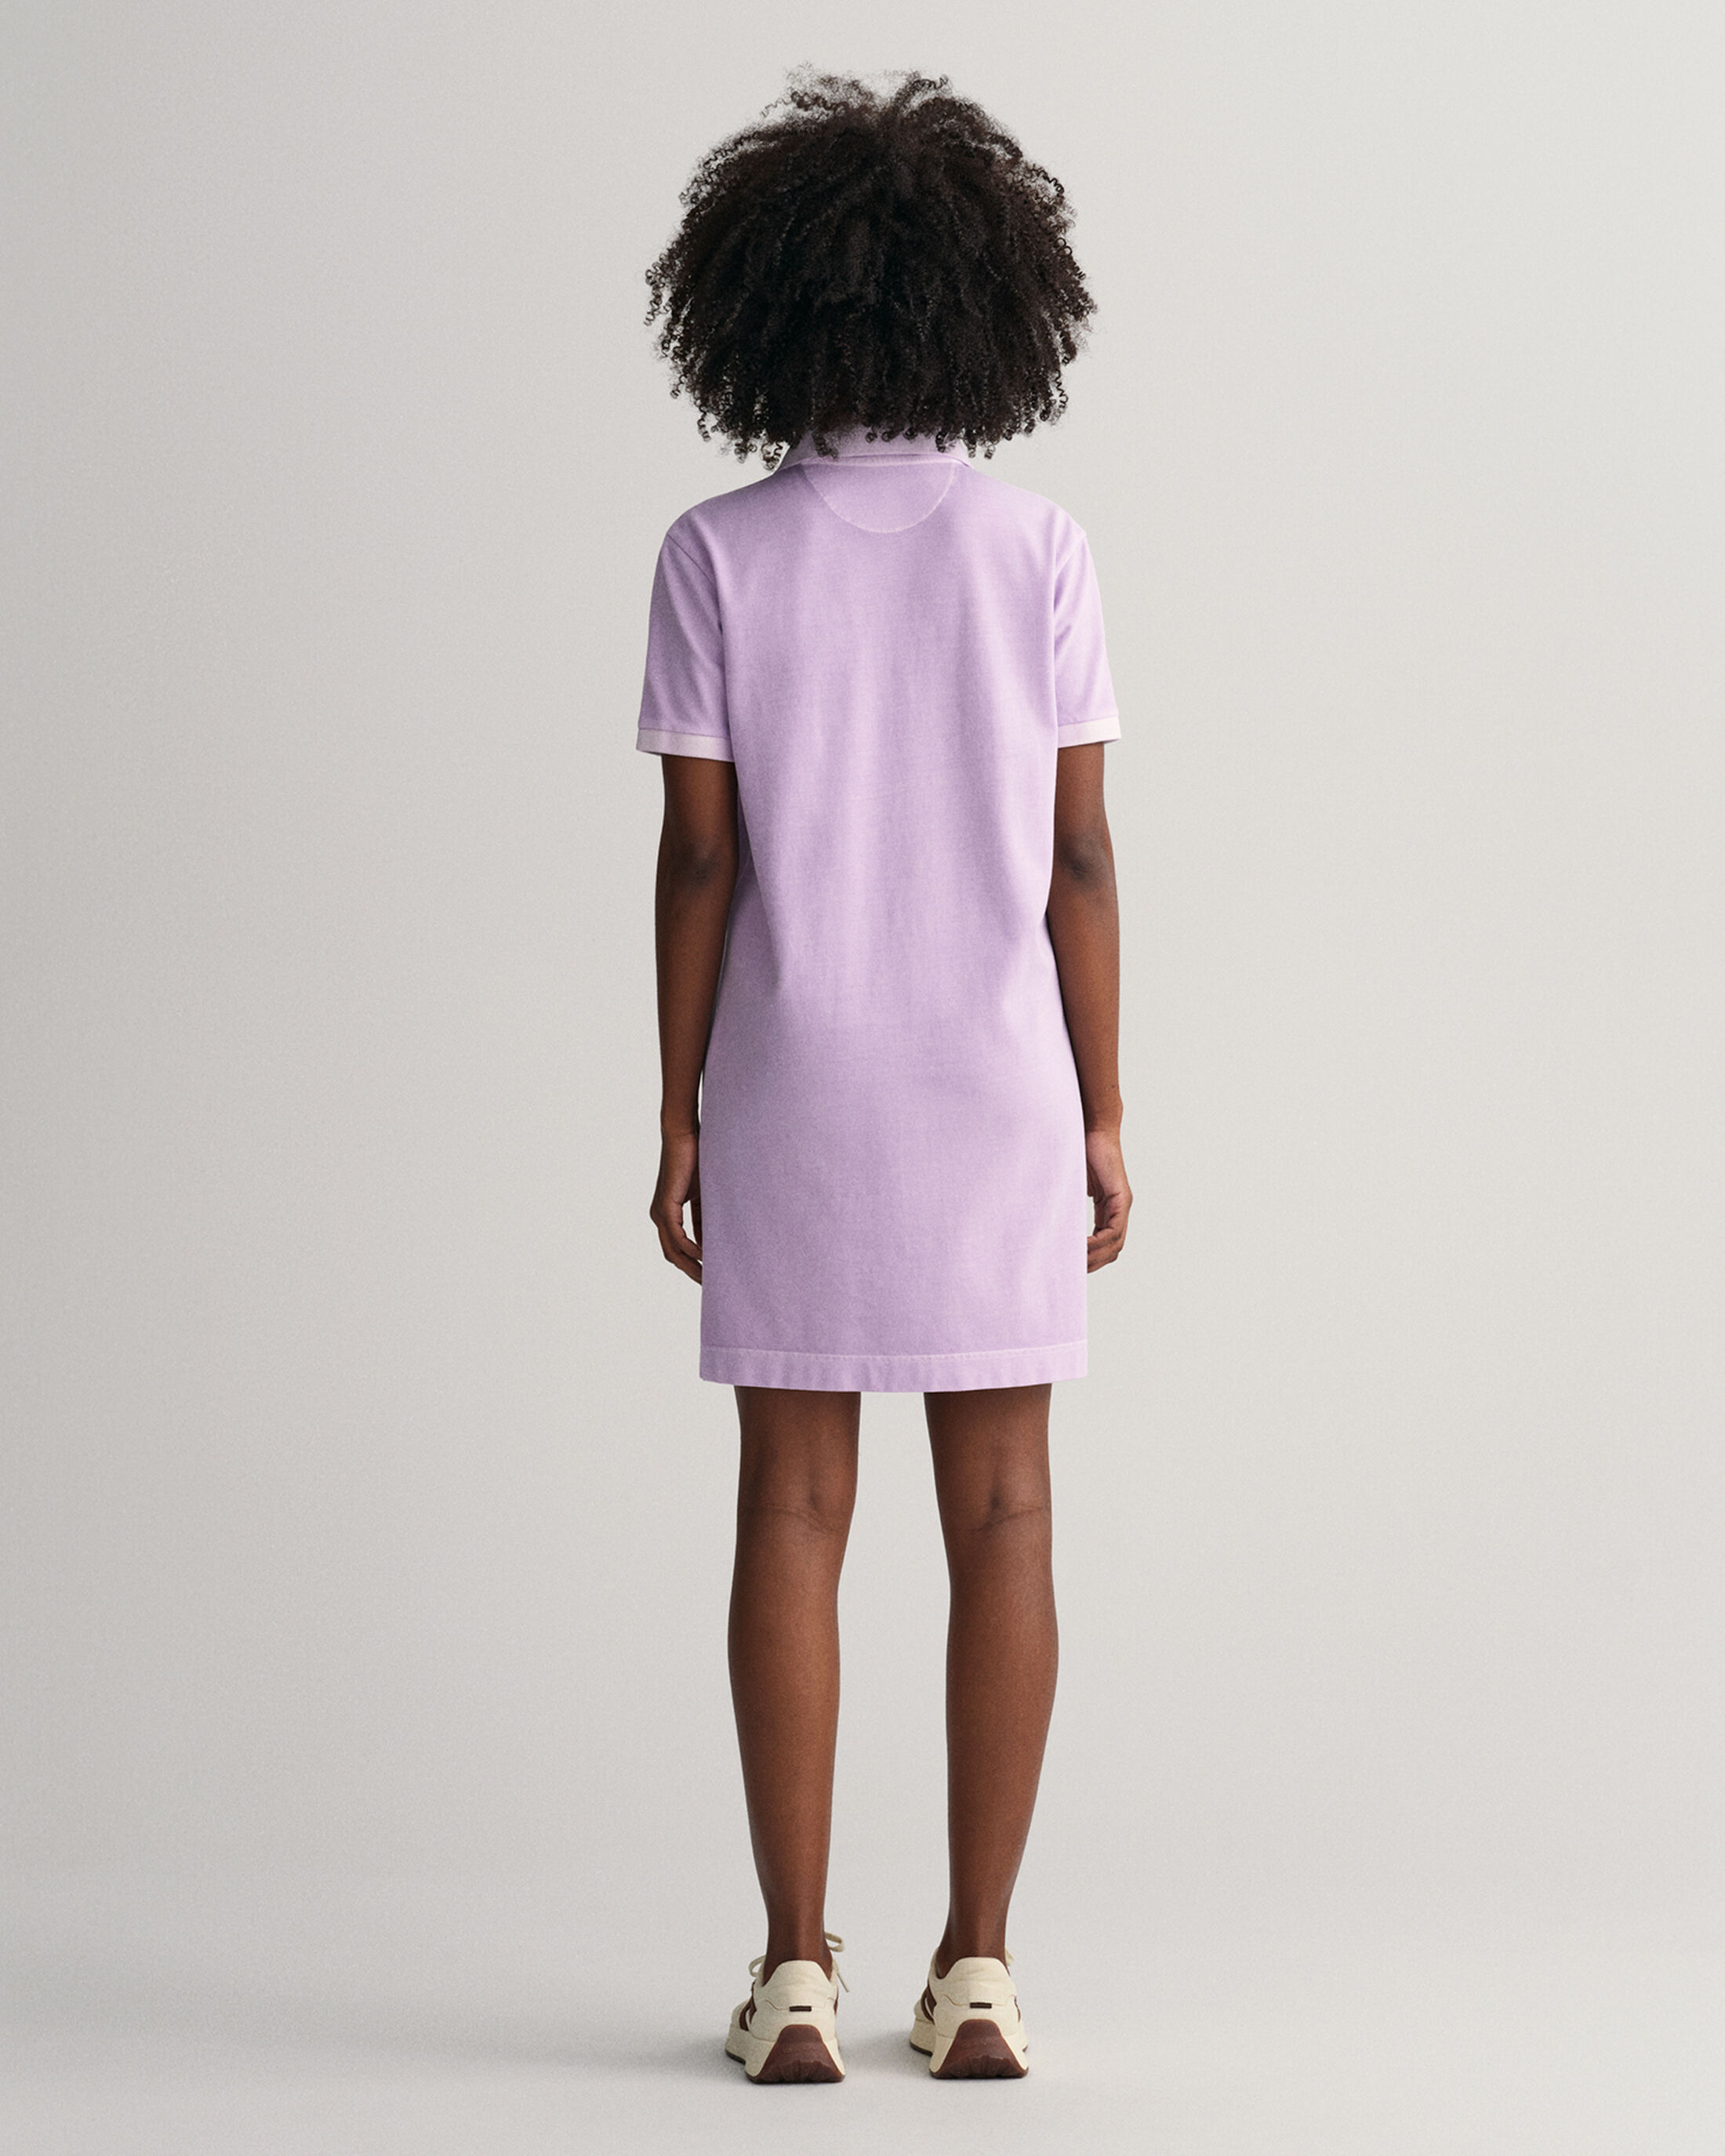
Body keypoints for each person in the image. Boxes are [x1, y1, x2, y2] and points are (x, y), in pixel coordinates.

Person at [637, 70, 1129, 2084]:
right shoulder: (1039, 551)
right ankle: (980, 1966)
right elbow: (1078, 857)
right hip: (997, 1080)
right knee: (1003, 1505)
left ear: (758, 303)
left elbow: (698, 861)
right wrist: (1103, 1108)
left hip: (798, 1078)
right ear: (986, 305)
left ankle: (792, 1972)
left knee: (791, 1502)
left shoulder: (715, 553)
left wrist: (675, 1106)